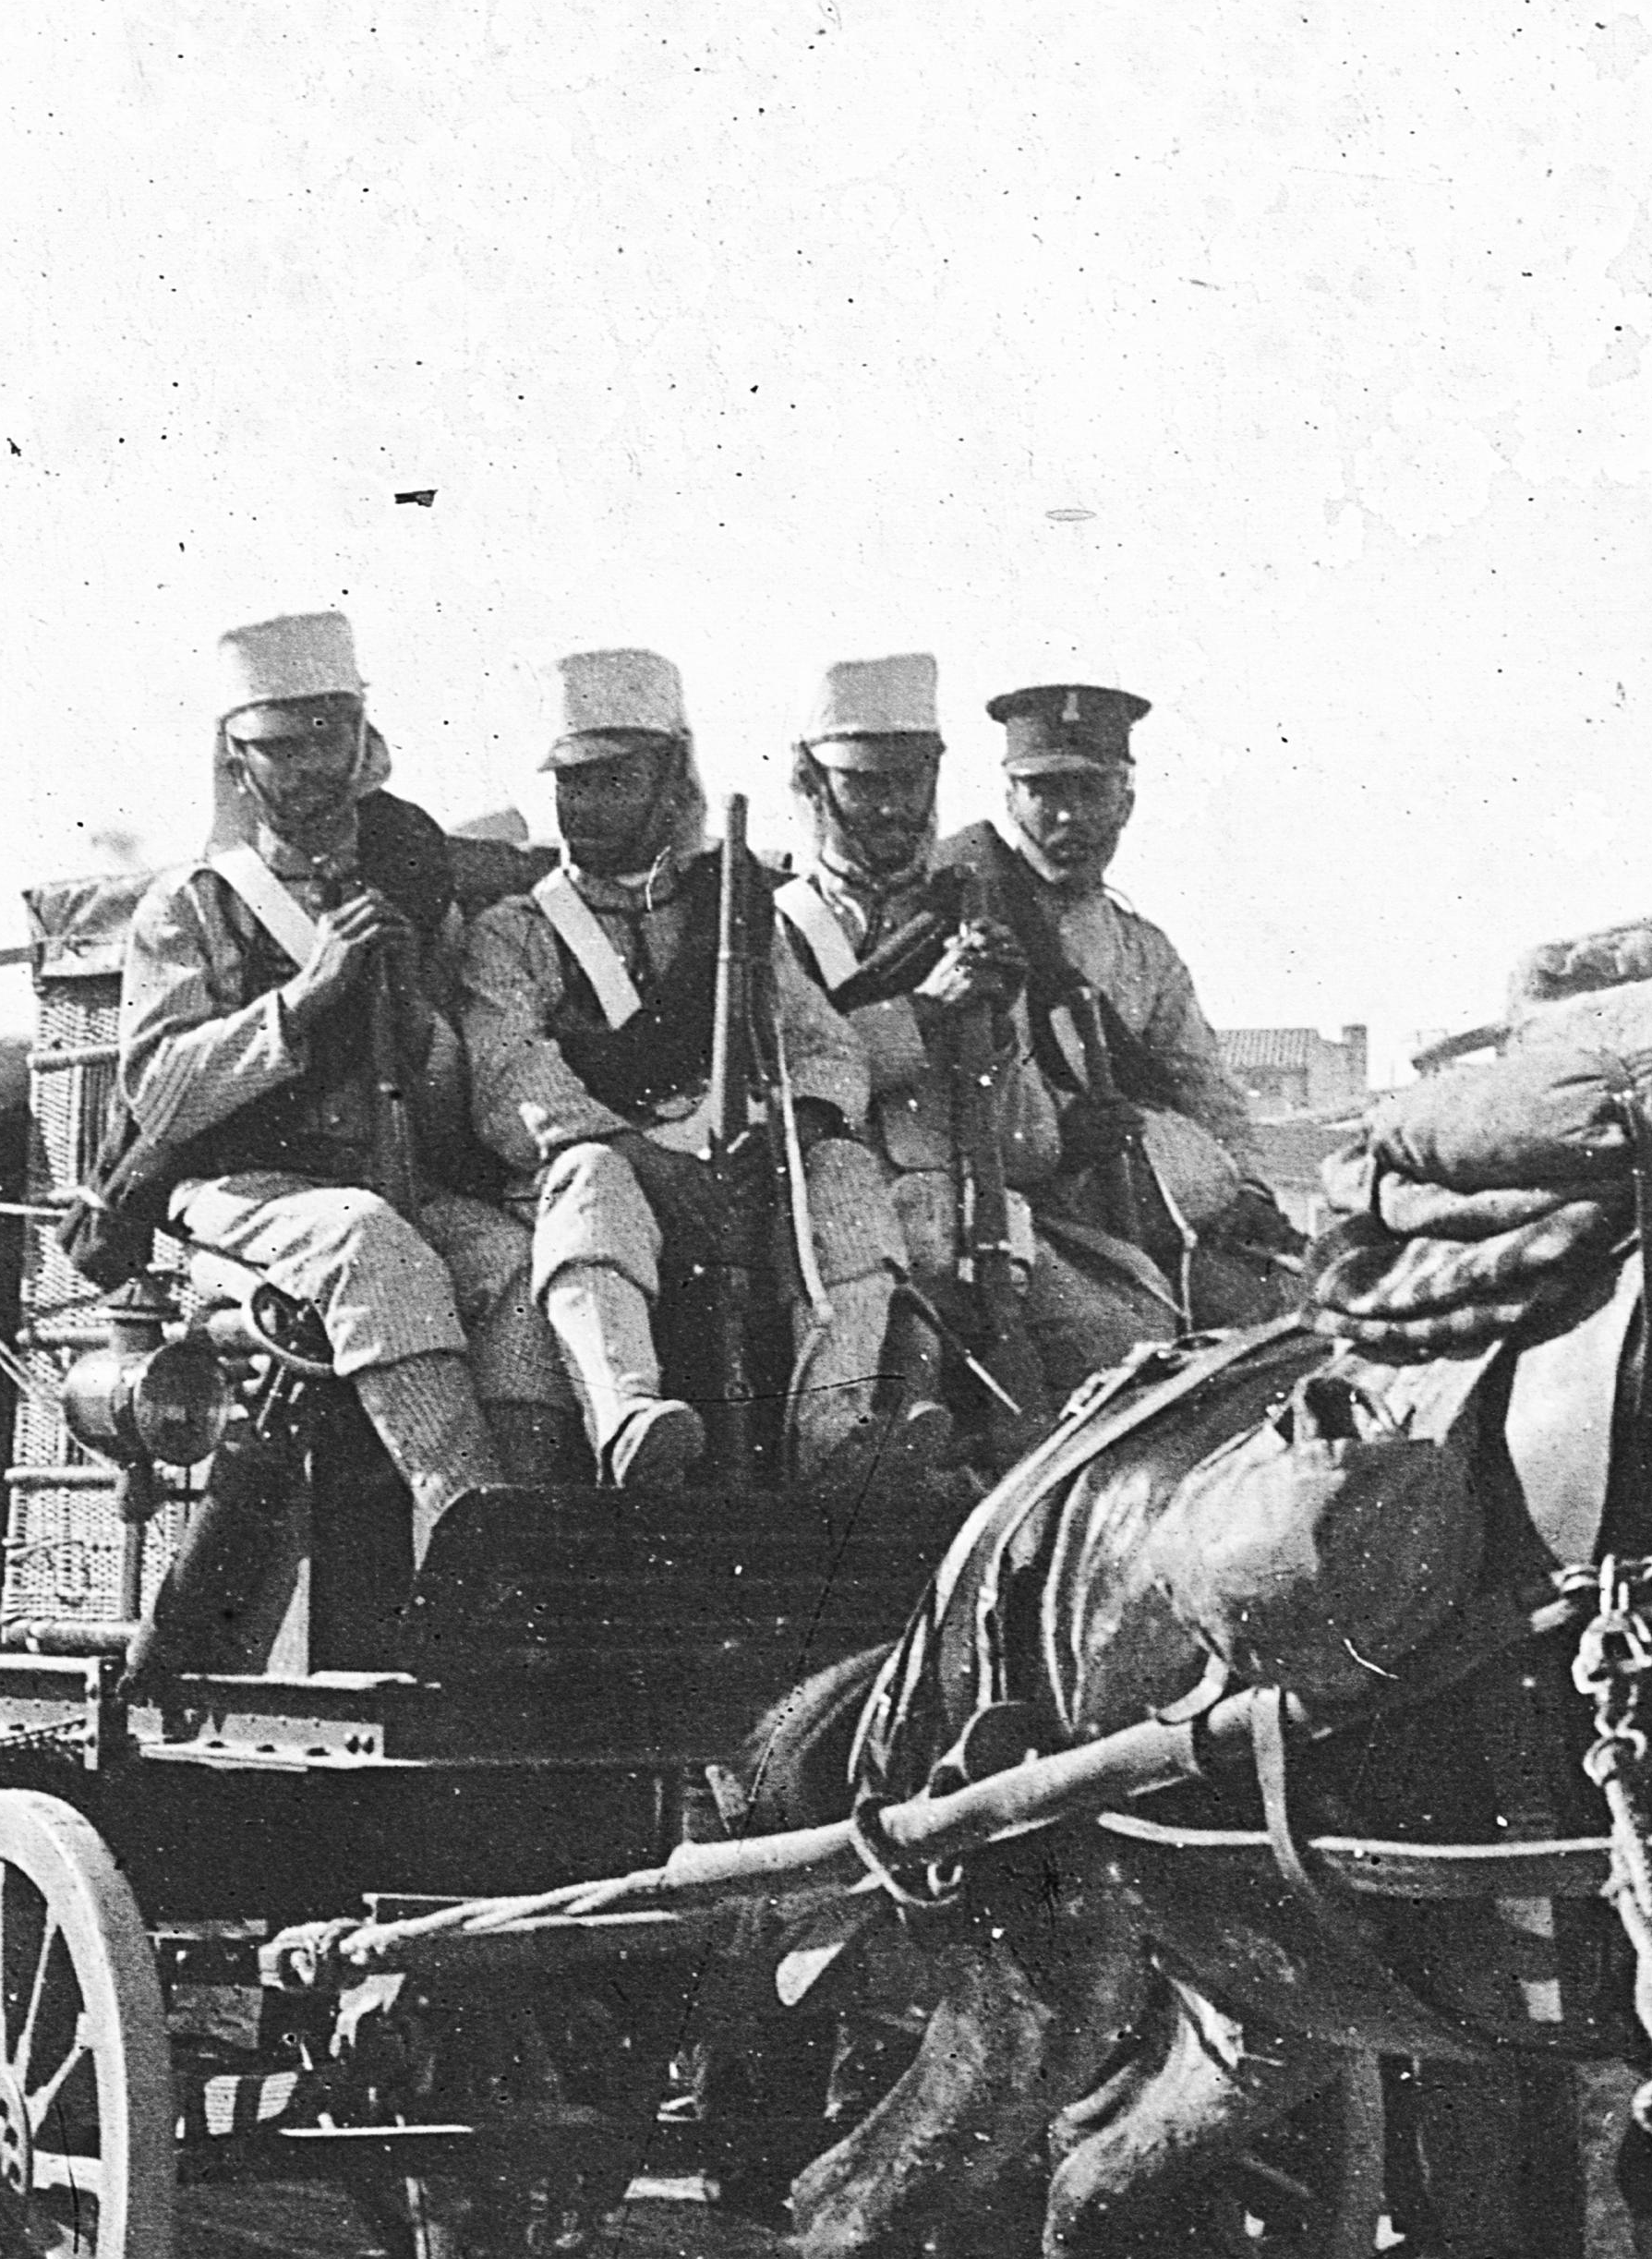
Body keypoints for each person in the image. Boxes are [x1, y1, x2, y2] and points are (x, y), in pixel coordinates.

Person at [107, 610, 566, 1556]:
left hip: (394, 1181)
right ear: (237, 759)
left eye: (329, 736)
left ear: (363, 740)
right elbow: (156, 1093)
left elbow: (448, 1101)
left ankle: (527, 1535)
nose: (310, 765)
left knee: (518, 1264)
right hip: (246, 1197)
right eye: (281, 747)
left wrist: (414, 1030)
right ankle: (472, 1543)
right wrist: (302, 1001)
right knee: (369, 1244)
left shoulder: (407, 892)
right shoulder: (191, 903)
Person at [455, 648, 945, 1494]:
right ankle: (629, 1422)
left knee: (846, 1174)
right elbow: (511, 1080)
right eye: (574, 783)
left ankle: (836, 1430)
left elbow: (825, 1048)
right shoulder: (517, 932)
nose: (587, 804)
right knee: (594, 1175)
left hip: (740, 1178)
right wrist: (652, 1161)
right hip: (591, 1181)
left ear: (671, 778)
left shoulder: (734, 913)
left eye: (616, 781)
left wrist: (796, 1135)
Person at [947, 682, 1304, 1383]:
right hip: (1030, 1212)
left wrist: (1251, 1192)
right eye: (1044, 791)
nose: (1067, 815)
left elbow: (1208, 1089)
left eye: (1090, 791)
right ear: (1011, 797)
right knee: (1124, 1341)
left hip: (1150, 1209)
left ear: (1126, 802)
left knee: (1288, 1315)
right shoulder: (971, 918)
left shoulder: (1145, 952)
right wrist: (1061, 1140)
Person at [777, 653, 1053, 1439]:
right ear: (811, 784)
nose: (894, 809)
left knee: (1134, 1333)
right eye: (865, 784)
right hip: (829, 1228)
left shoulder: (967, 916)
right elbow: (792, 1080)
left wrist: (997, 1036)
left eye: (910, 781)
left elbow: (1033, 1148)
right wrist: (926, 1013)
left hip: (990, 1235)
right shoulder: (771, 924)